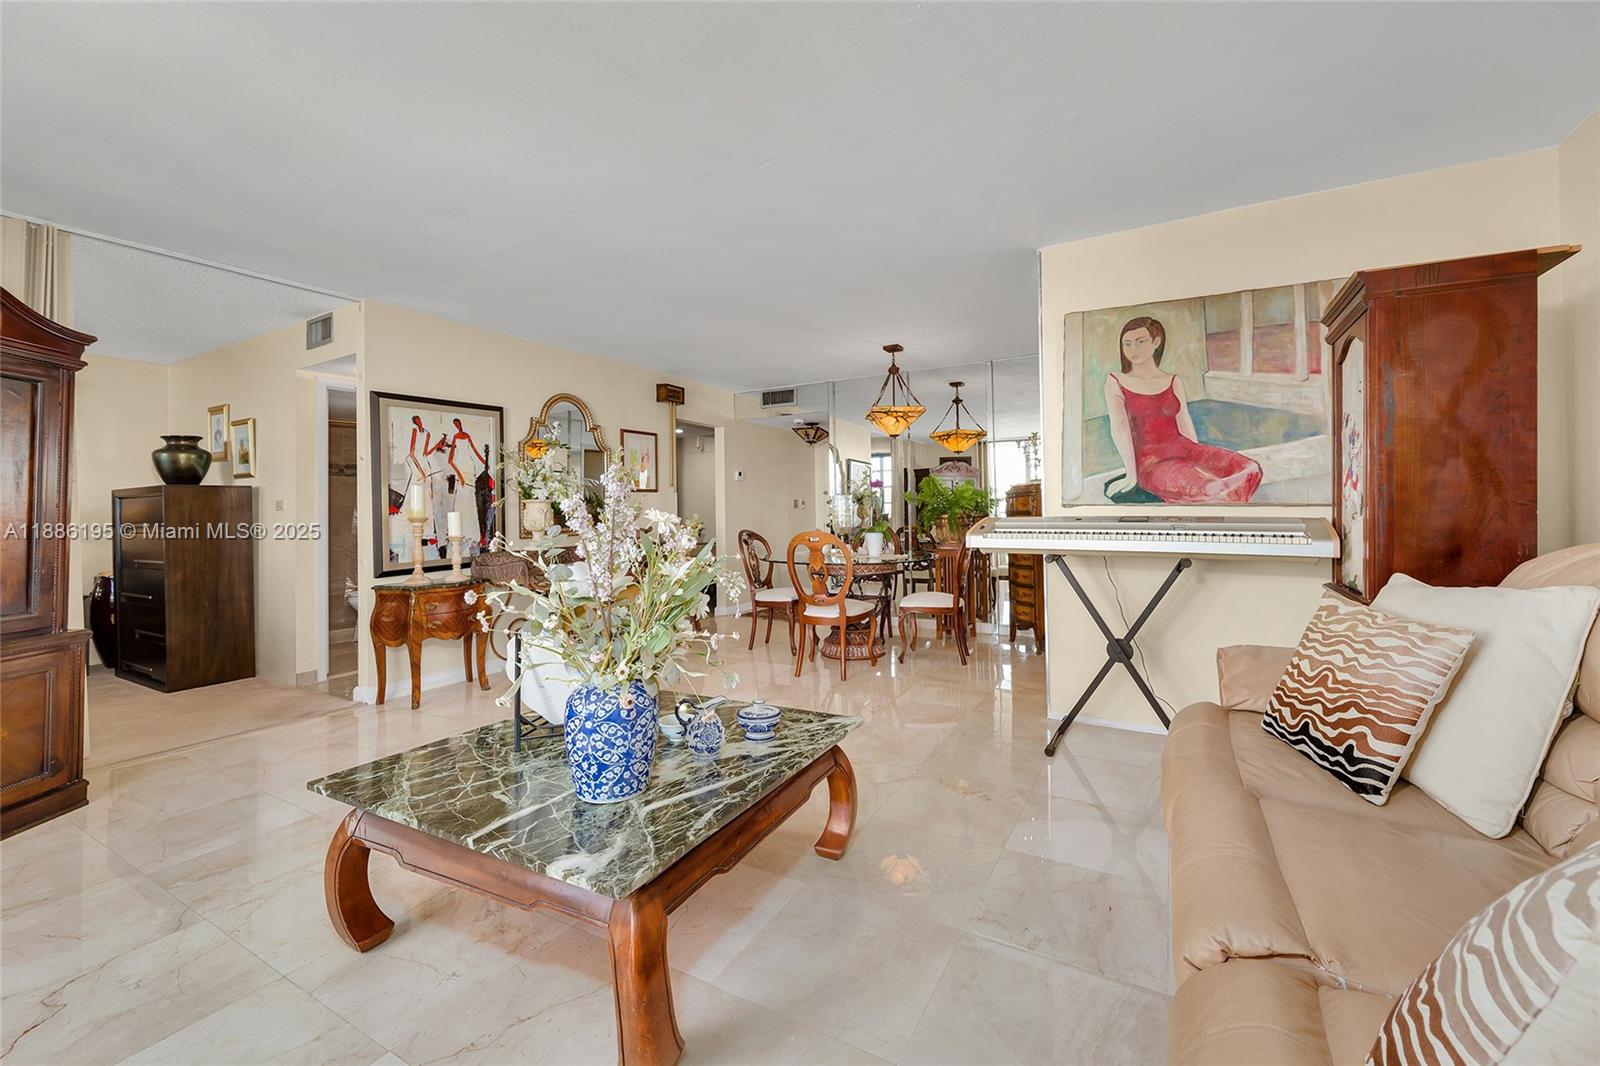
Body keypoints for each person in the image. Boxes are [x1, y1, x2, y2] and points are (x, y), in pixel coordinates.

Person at [1104, 316, 1262, 503]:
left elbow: (1184, 423)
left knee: (1250, 469)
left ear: (1156, 342)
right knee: (1211, 490)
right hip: (1152, 464)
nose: (1133, 349)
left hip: (1185, 450)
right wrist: (1131, 476)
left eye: (1140, 342)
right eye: (1127, 344)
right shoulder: (1116, 381)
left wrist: (1198, 460)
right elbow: (1120, 429)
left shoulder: (1173, 381)